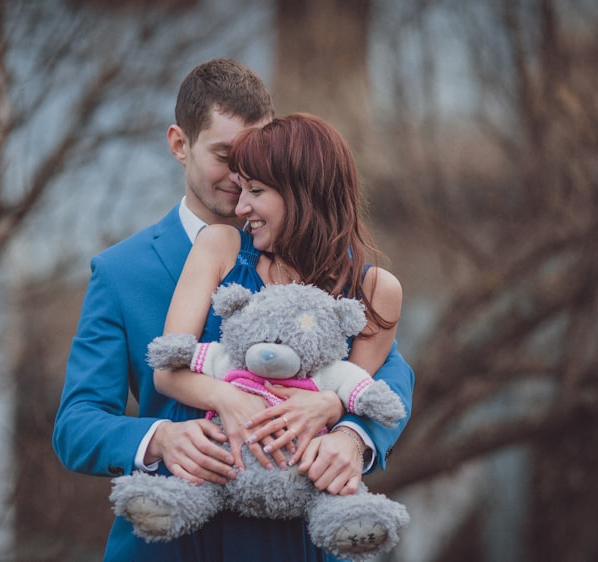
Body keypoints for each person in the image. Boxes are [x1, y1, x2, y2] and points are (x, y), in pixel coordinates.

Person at [52, 59, 414, 561]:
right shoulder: (121, 272)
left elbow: (389, 375)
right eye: (226, 156)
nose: (240, 179)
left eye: (257, 167)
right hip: (176, 544)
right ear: (180, 144)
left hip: (295, 544)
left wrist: (351, 435)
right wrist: (160, 438)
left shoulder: (327, 261)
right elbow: (76, 424)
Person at [154, 113, 405, 499]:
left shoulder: (374, 290)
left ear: (303, 192)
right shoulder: (219, 248)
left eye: (255, 192)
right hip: (215, 486)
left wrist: (331, 407)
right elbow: (166, 372)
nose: (240, 209)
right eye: (241, 191)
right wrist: (229, 397)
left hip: (299, 502)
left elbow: (351, 392)